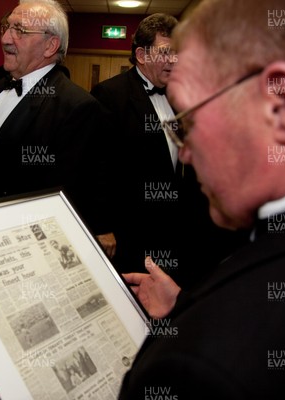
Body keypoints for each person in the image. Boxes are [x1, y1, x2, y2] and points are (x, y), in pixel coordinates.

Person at [0, 0, 285, 398]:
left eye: (189, 121)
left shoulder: (203, 368)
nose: (186, 152)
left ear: (281, 107)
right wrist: (183, 306)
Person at [90, 13, 246, 285]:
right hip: (131, 229)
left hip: (175, 229)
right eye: (166, 52)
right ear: (141, 54)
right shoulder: (110, 95)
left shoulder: (181, 96)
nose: (174, 60)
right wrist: (103, 227)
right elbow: (97, 165)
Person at [0, 0, 116, 257]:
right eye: (6, 27)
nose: (5, 38)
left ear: (50, 46)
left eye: (20, 31)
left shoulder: (76, 106)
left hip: (20, 249)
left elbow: (69, 195)